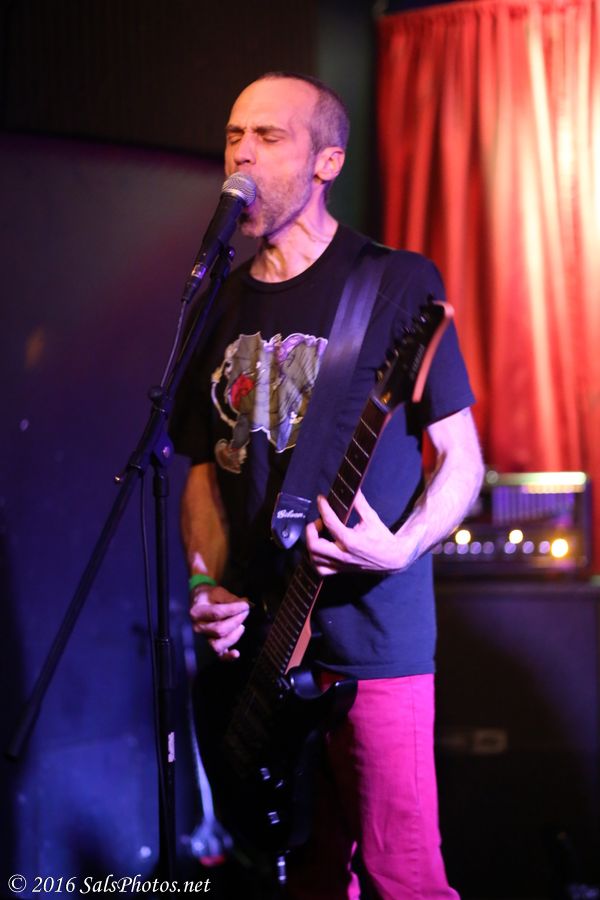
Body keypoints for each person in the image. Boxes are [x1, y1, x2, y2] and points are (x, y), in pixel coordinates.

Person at [169, 71, 484, 900]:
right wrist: (204, 583)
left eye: (267, 136)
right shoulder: (216, 303)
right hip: (261, 652)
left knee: (402, 876)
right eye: (234, 135)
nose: (241, 153)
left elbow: (463, 460)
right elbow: (201, 471)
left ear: (327, 161)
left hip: (372, 641)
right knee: (307, 881)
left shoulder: (394, 284)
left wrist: (401, 545)